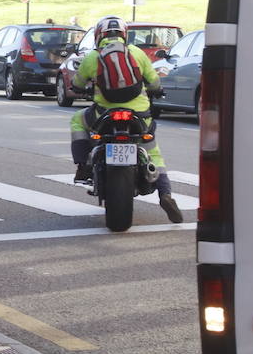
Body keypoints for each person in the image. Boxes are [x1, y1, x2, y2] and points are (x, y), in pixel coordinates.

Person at [70, 15, 183, 223]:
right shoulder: (137, 53)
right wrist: (157, 90)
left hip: (103, 114)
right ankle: (165, 194)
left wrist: (79, 87)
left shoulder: (92, 57)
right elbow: (154, 82)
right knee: (152, 151)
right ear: (124, 35)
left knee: (77, 120)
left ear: (98, 36)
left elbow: (77, 83)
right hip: (139, 115)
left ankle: (82, 165)